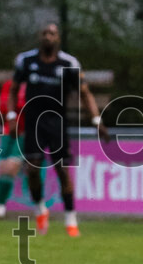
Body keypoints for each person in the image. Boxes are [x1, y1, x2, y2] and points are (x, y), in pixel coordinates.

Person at [10, 22, 108, 236]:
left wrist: (96, 120)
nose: (48, 37)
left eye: (52, 33)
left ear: (58, 38)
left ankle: (71, 219)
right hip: (34, 121)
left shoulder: (69, 63)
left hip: (57, 123)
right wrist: (11, 116)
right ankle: (40, 210)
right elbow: (14, 88)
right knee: (33, 170)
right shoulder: (26, 61)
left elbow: (85, 93)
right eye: (45, 33)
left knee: (62, 171)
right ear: (39, 36)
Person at [0, 78, 28, 218]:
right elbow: (4, 106)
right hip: (10, 131)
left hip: (26, 132)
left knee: (10, 166)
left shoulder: (35, 85)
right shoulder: (10, 84)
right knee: (2, 167)